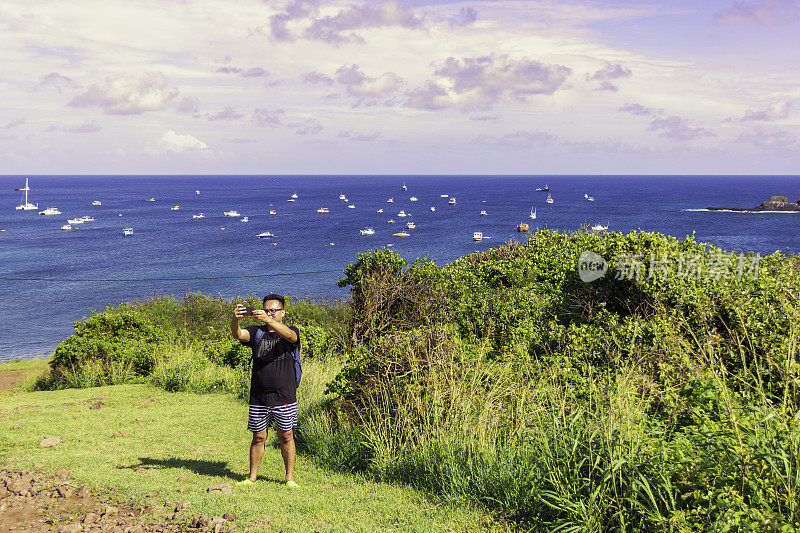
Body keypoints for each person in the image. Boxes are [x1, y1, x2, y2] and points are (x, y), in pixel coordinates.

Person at [231, 293, 300, 487]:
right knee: (258, 437)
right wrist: (234, 320)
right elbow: (238, 335)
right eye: (267, 310)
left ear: (282, 312)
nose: (270, 313)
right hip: (259, 396)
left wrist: (270, 321)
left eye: (274, 310)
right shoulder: (257, 332)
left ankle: (289, 478)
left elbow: (290, 336)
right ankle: (252, 477)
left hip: (284, 395)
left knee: (286, 435)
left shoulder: (290, 331)